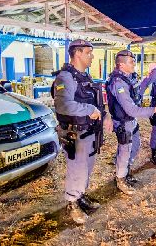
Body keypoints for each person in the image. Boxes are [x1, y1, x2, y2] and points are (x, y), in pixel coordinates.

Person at [53, 39, 113, 224]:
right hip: (75, 133)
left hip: (89, 132)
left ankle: (80, 196)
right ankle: (72, 202)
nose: (92, 56)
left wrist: (106, 116)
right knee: (77, 170)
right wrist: (90, 111)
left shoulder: (84, 77)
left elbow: (96, 103)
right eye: (88, 52)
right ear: (77, 53)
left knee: (86, 168)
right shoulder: (65, 77)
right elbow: (64, 105)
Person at [106, 50, 156, 195]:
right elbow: (131, 109)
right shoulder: (118, 82)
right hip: (123, 122)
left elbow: (137, 93)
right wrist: (154, 110)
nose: (134, 64)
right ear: (121, 64)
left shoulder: (128, 78)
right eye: (131, 62)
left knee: (136, 145)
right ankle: (120, 179)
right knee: (124, 151)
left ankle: (125, 172)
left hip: (131, 121)